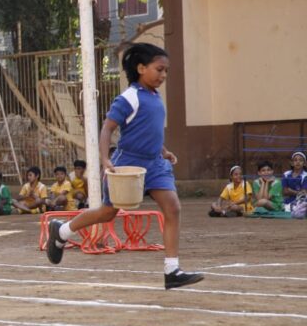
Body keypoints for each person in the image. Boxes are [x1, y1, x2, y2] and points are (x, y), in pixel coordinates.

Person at [46, 43, 203, 290]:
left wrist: (163, 151)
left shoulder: (155, 97)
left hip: (155, 164)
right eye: (159, 69)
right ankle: (62, 230)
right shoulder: (129, 97)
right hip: (128, 164)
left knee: (173, 208)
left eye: (166, 71)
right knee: (108, 212)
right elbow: (107, 129)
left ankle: (172, 270)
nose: (163, 75)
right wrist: (105, 159)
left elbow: (149, 131)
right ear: (141, 68)